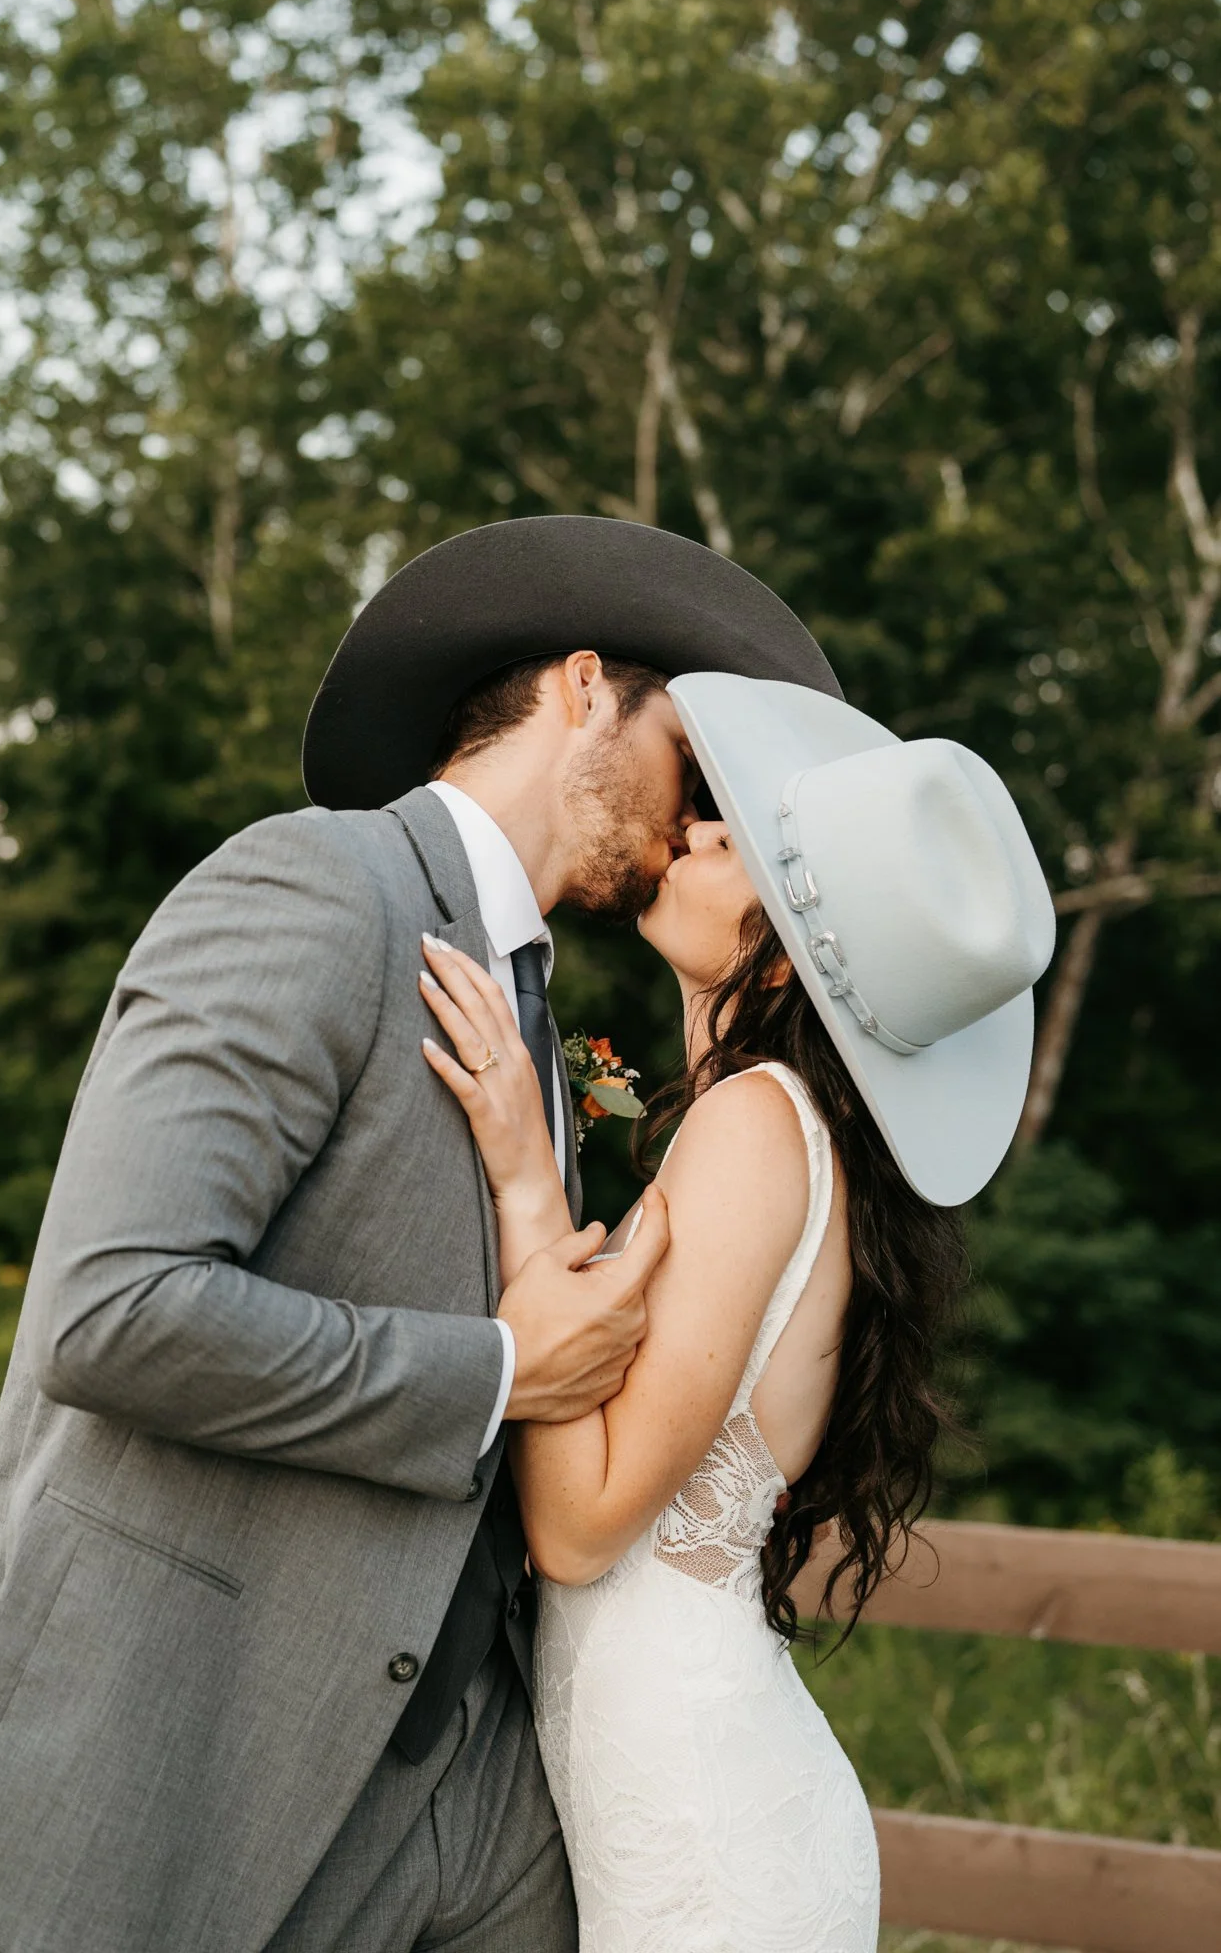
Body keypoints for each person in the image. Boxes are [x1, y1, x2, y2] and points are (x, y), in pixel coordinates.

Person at [0, 517, 842, 1953]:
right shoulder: (317, 886)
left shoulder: (538, 1009)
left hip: (473, 1776)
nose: (692, 813)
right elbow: (112, 1311)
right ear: (583, 687)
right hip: (215, 1756)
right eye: (685, 759)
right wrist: (494, 1373)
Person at [417, 672, 1056, 1953]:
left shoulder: (753, 1125)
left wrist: (527, 1187)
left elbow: (581, 1528)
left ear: (786, 946)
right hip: (686, 1804)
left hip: (712, 1851)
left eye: (737, 841)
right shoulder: (769, 1127)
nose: (696, 830)